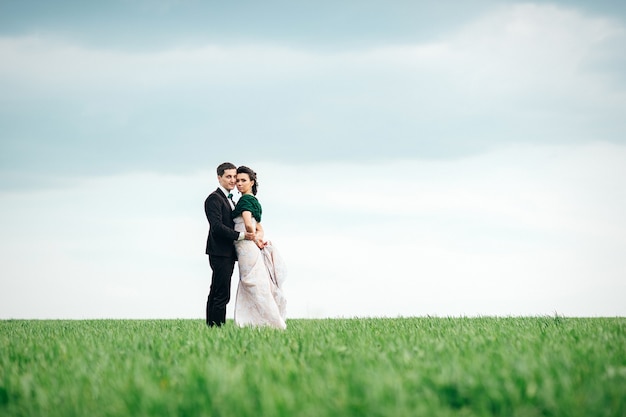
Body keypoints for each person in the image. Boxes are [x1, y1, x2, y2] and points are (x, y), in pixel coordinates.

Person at [232, 165, 287, 329]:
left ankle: (264, 321)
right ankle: (261, 320)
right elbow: (260, 229)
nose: (239, 183)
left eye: (243, 180)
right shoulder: (254, 201)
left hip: (245, 246)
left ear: (252, 182)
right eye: (238, 180)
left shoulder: (245, 200)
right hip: (250, 245)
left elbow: (249, 224)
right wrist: (258, 239)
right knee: (255, 282)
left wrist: (252, 237)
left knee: (251, 282)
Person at [204, 162, 255, 327]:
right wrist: (241, 236)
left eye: (234, 176)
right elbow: (217, 227)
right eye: (228, 176)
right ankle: (217, 328)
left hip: (226, 252)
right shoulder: (214, 199)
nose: (233, 180)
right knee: (221, 293)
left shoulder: (230, 199)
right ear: (219, 178)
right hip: (219, 252)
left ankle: (212, 327)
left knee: (217, 291)